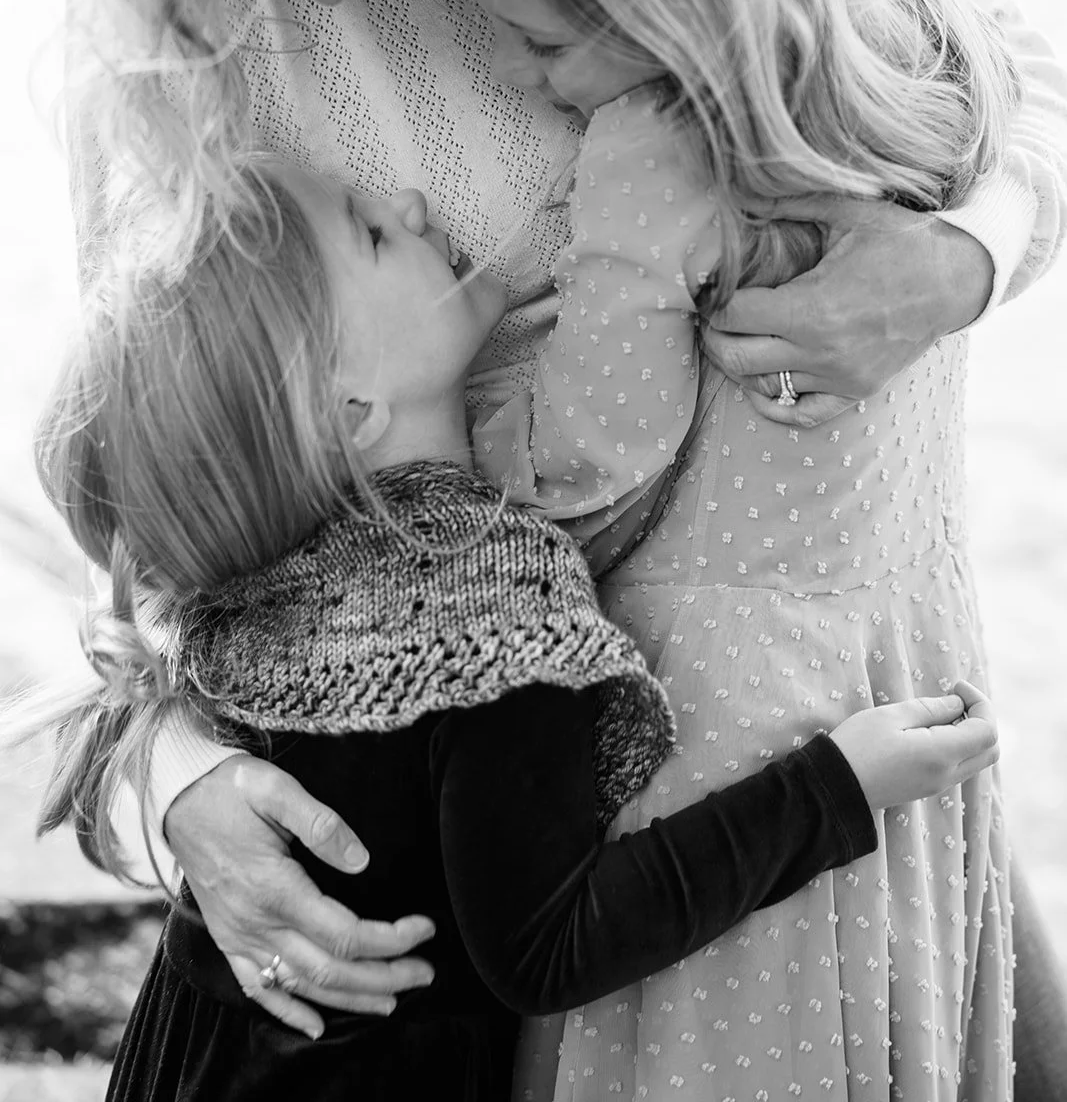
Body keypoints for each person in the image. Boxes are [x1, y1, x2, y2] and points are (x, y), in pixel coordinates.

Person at [51, 0, 1067, 1090]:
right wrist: (171, 776)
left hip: (815, 673)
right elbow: (143, 495)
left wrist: (962, 257)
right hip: (546, 791)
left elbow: (995, 66)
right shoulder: (193, 35)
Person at [13, 157, 999, 1102]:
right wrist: (833, 785)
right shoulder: (484, 601)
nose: (404, 199)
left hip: (186, 1049)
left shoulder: (259, 574)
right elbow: (548, 945)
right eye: (367, 231)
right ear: (352, 406)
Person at [459, 0, 1030, 1098]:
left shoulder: (651, 149)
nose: (534, 83)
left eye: (541, 41)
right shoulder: (932, 75)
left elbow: (597, 450)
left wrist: (478, 403)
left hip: (714, 742)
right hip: (898, 671)